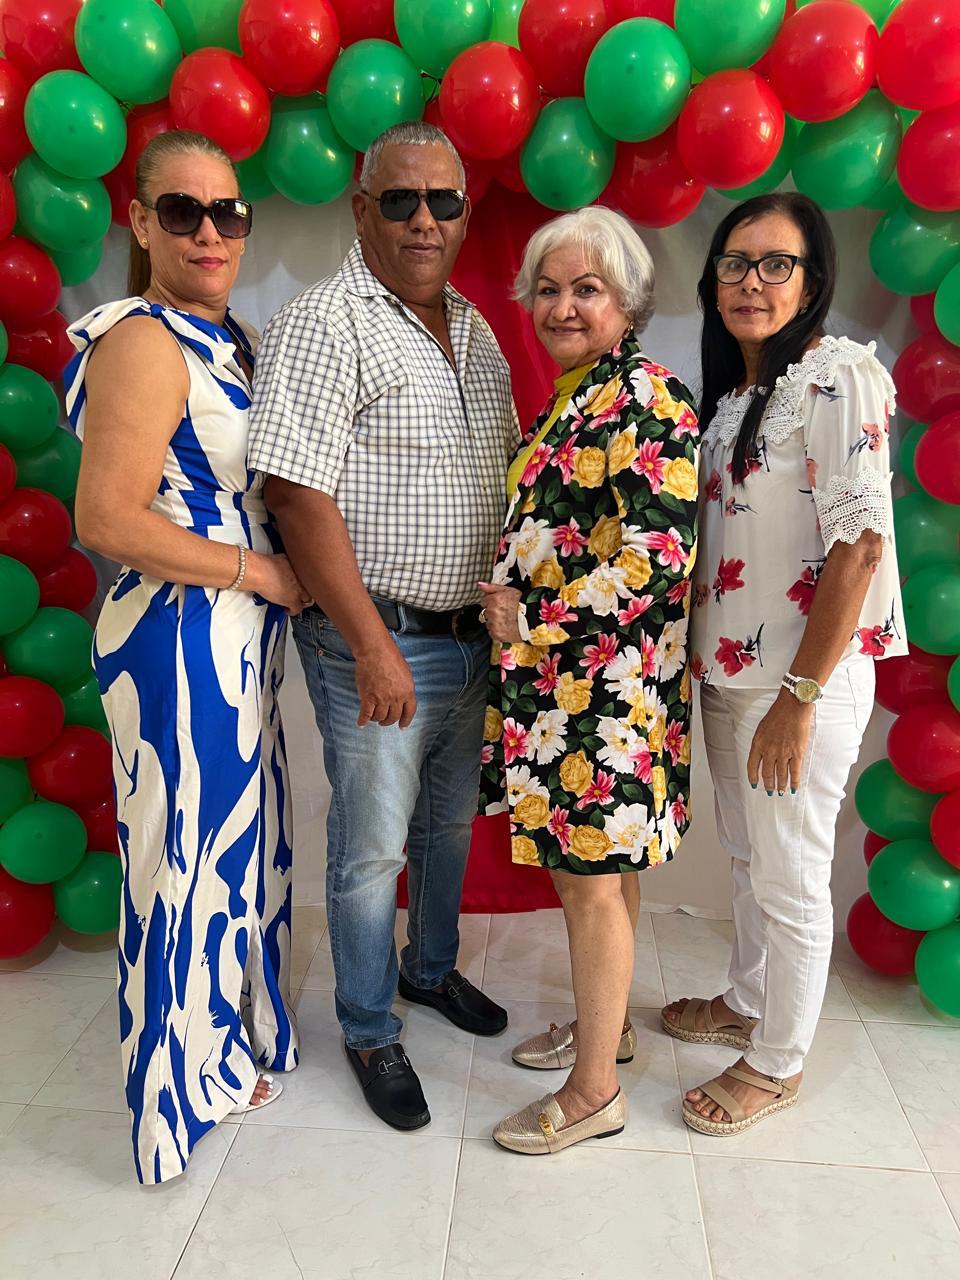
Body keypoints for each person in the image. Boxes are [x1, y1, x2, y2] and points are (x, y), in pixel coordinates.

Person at [248, 122, 515, 1132]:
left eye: (444, 202)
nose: (423, 220)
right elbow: (294, 492)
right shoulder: (325, 322)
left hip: (467, 638)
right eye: (400, 200)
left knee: (446, 827)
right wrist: (369, 644)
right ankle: (367, 1025)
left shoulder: (476, 328)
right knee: (370, 849)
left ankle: (429, 969)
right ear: (362, 209)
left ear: (465, 215)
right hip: (379, 638)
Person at [65, 131, 311, 1183]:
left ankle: (226, 1043)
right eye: (183, 211)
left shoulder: (227, 338)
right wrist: (260, 573)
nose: (211, 231)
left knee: (232, 848)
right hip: (178, 635)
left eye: (228, 212)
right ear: (140, 221)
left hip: (230, 638)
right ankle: (176, 1096)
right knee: (185, 861)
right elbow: (106, 519)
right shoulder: (142, 339)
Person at [662, 193, 905, 1136]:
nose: (752, 282)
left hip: (802, 682)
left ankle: (777, 1061)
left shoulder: (838, 375)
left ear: (812, 280)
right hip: (732, 676)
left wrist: (799, 697)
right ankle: (747, 999)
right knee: (748, 856)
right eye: (735, 263)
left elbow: (860, 546)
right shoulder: (732, 400)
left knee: (792, 872)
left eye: (776, 264)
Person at [478, 207, 699, 1156]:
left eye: (587, 289)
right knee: (605, 878)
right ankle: (610, 1032)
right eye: (549, 289)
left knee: (590, 888)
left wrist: (528, 617)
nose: (563, 306)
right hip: (565, 692)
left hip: (603, 696)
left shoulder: (650, 398)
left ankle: (595, 1089)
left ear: (628, 301)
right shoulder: (576, 395)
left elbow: (655, 561)